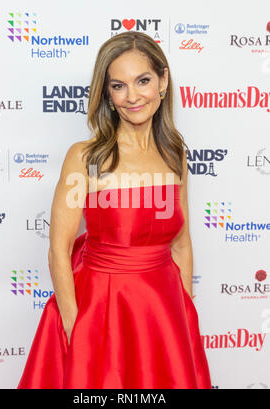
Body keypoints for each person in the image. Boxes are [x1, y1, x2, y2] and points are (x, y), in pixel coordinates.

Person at [17, 31, 212, 389]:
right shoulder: (87, 158)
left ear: (163, 81)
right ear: (107, 92)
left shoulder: (174, 154)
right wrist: (76, 325)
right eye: (118, 86)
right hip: (102, 311)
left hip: (162, 314)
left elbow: (182, 244)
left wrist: (184, 315)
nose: (133, 96)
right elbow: (59, 250)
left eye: (143, 81)